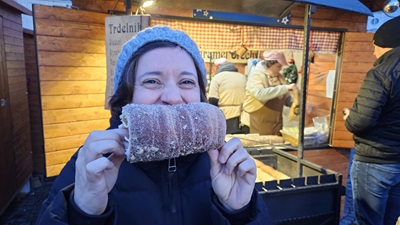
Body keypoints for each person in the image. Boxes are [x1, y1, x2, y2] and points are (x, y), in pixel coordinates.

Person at [35, 26, 271, 225]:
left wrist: (239, 212)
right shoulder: (92, 163)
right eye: (152, 81)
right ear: (127, 96)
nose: (172, 97)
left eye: (186, 82)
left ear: (201, 94)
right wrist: (84, 213)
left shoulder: (224, 162)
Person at [343, 16, 400, 225]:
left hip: (374, 161)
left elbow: (360, 122)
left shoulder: (381, 73)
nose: (372, 51)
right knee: (389, 221)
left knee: (366, 221)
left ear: (383, 44)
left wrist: (349, 117)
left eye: (373, 45)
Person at [242, 51, 298, 135]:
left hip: (275, 124)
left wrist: (296, 101)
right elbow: (260, 94)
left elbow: (285, 99)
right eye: (278, 66)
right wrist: (286, 88)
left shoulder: (280, 77)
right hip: (255, 123)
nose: (280, 69)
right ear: (269, 64)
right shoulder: (257, 76)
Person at [208, 58, 249, 134]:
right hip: (244, 116)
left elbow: (213, 99)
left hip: (226, 116)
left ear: (218, 67)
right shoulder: (243, 77)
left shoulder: (217, 78)